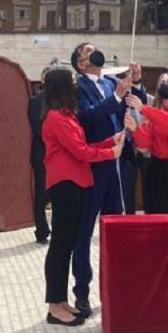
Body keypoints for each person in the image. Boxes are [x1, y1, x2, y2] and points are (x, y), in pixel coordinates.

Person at [40, 68, 124, 326]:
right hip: (65, 183)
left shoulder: (68, 115)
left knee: (67, 243)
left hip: (76, 181)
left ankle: (61, 301)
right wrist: (110, 153)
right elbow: (80, 151)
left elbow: (85, 146)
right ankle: (55, 305)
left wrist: (110, 141)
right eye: (72, 81)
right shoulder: (55, 118)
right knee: (60, 245)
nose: (76, 84)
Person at [69, 42, 147, 315]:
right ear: (80, 64)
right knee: (84, 231)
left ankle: (116, 289)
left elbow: (138, 106)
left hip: (119, 164)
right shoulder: (78, 88)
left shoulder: (114, 81)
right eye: (88, 52)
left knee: (117, 228)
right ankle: (82, 292)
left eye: (95, 49)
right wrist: (115, 96)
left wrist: (136, 84)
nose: (95, 53)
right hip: (93, 166)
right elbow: (88, 119)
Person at [123, 71, 168, 303]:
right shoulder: (152, 115)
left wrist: (145, 109)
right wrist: (135, 129)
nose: (166, 86)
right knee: (156, 229)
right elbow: (145, 144)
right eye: (162, 83)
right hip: (156, 170)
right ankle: (158, 283)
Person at [28, 67, 52, 244]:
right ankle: (41, 230)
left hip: (60, 155)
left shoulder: (63, 100)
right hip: (42, 154)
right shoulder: (35, 101)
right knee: (42, 194)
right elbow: (37, 128)